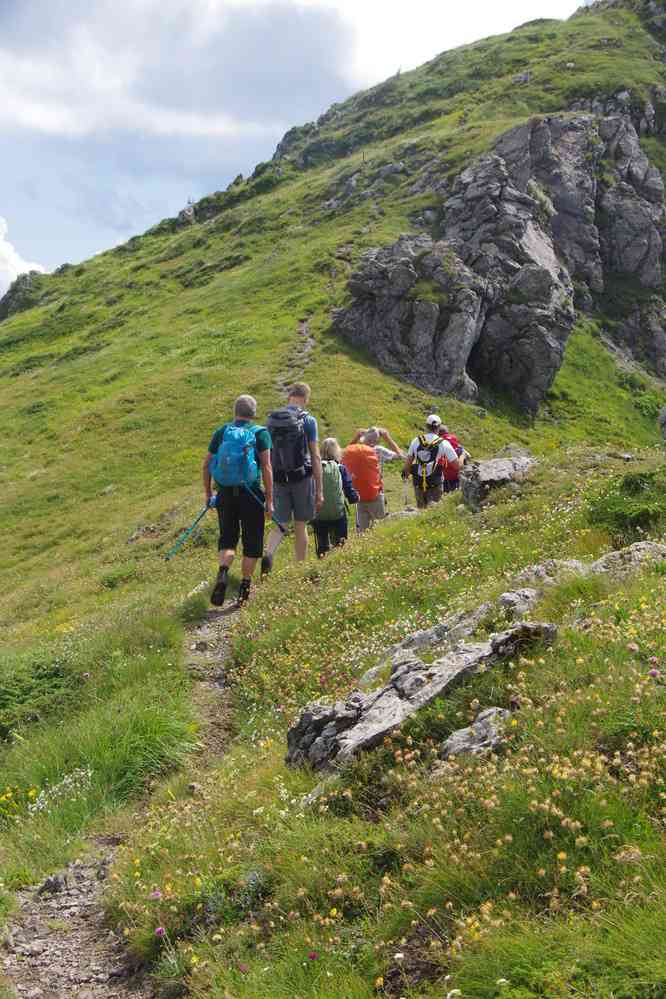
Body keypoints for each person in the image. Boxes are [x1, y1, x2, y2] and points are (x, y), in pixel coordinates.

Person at [203, 394, 273, 608]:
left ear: (235, 411)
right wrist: (269, 499)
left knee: (227, 539)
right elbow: (267, 467)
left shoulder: (222, 432)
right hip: (251, 495)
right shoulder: (260, 434)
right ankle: (244, 587)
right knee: (252, 543)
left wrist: (208, 494)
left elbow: (206, 465)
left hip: (225, 494)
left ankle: (223, 572)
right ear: (253, 413)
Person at [262, 382, 323, 572]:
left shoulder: (272, 421)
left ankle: (269, 553)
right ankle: (300, 568)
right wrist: (319, 489)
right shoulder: (308, 420)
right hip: (302, 478)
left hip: (279, 478)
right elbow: (315, 456)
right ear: (306, 399)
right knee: (300, 524)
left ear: (289, 397)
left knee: (280, 523)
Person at [312, 438, 359, 558]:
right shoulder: (340, 468)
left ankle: (322, 556)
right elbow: (348, 488)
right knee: (340, 542)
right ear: (337, 451)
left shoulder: (314, 469)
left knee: (322, 543)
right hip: (338, 513)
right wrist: (355, 498)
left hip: (319, 513)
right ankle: (339, 559)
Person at [402, 413, 459, 509]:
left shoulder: (416, 440)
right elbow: (457, 465)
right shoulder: (443, 443)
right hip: (435, 482)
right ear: (439, 427)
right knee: (433, 509)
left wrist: (406, 475)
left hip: (418, 481)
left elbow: (408, 463)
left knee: (420, 509)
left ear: (426, 426)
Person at [438, 423, 465, 493]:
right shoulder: (454, 440)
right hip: (456, 478)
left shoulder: (436, 442)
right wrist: (462, 455)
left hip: (442, 480)